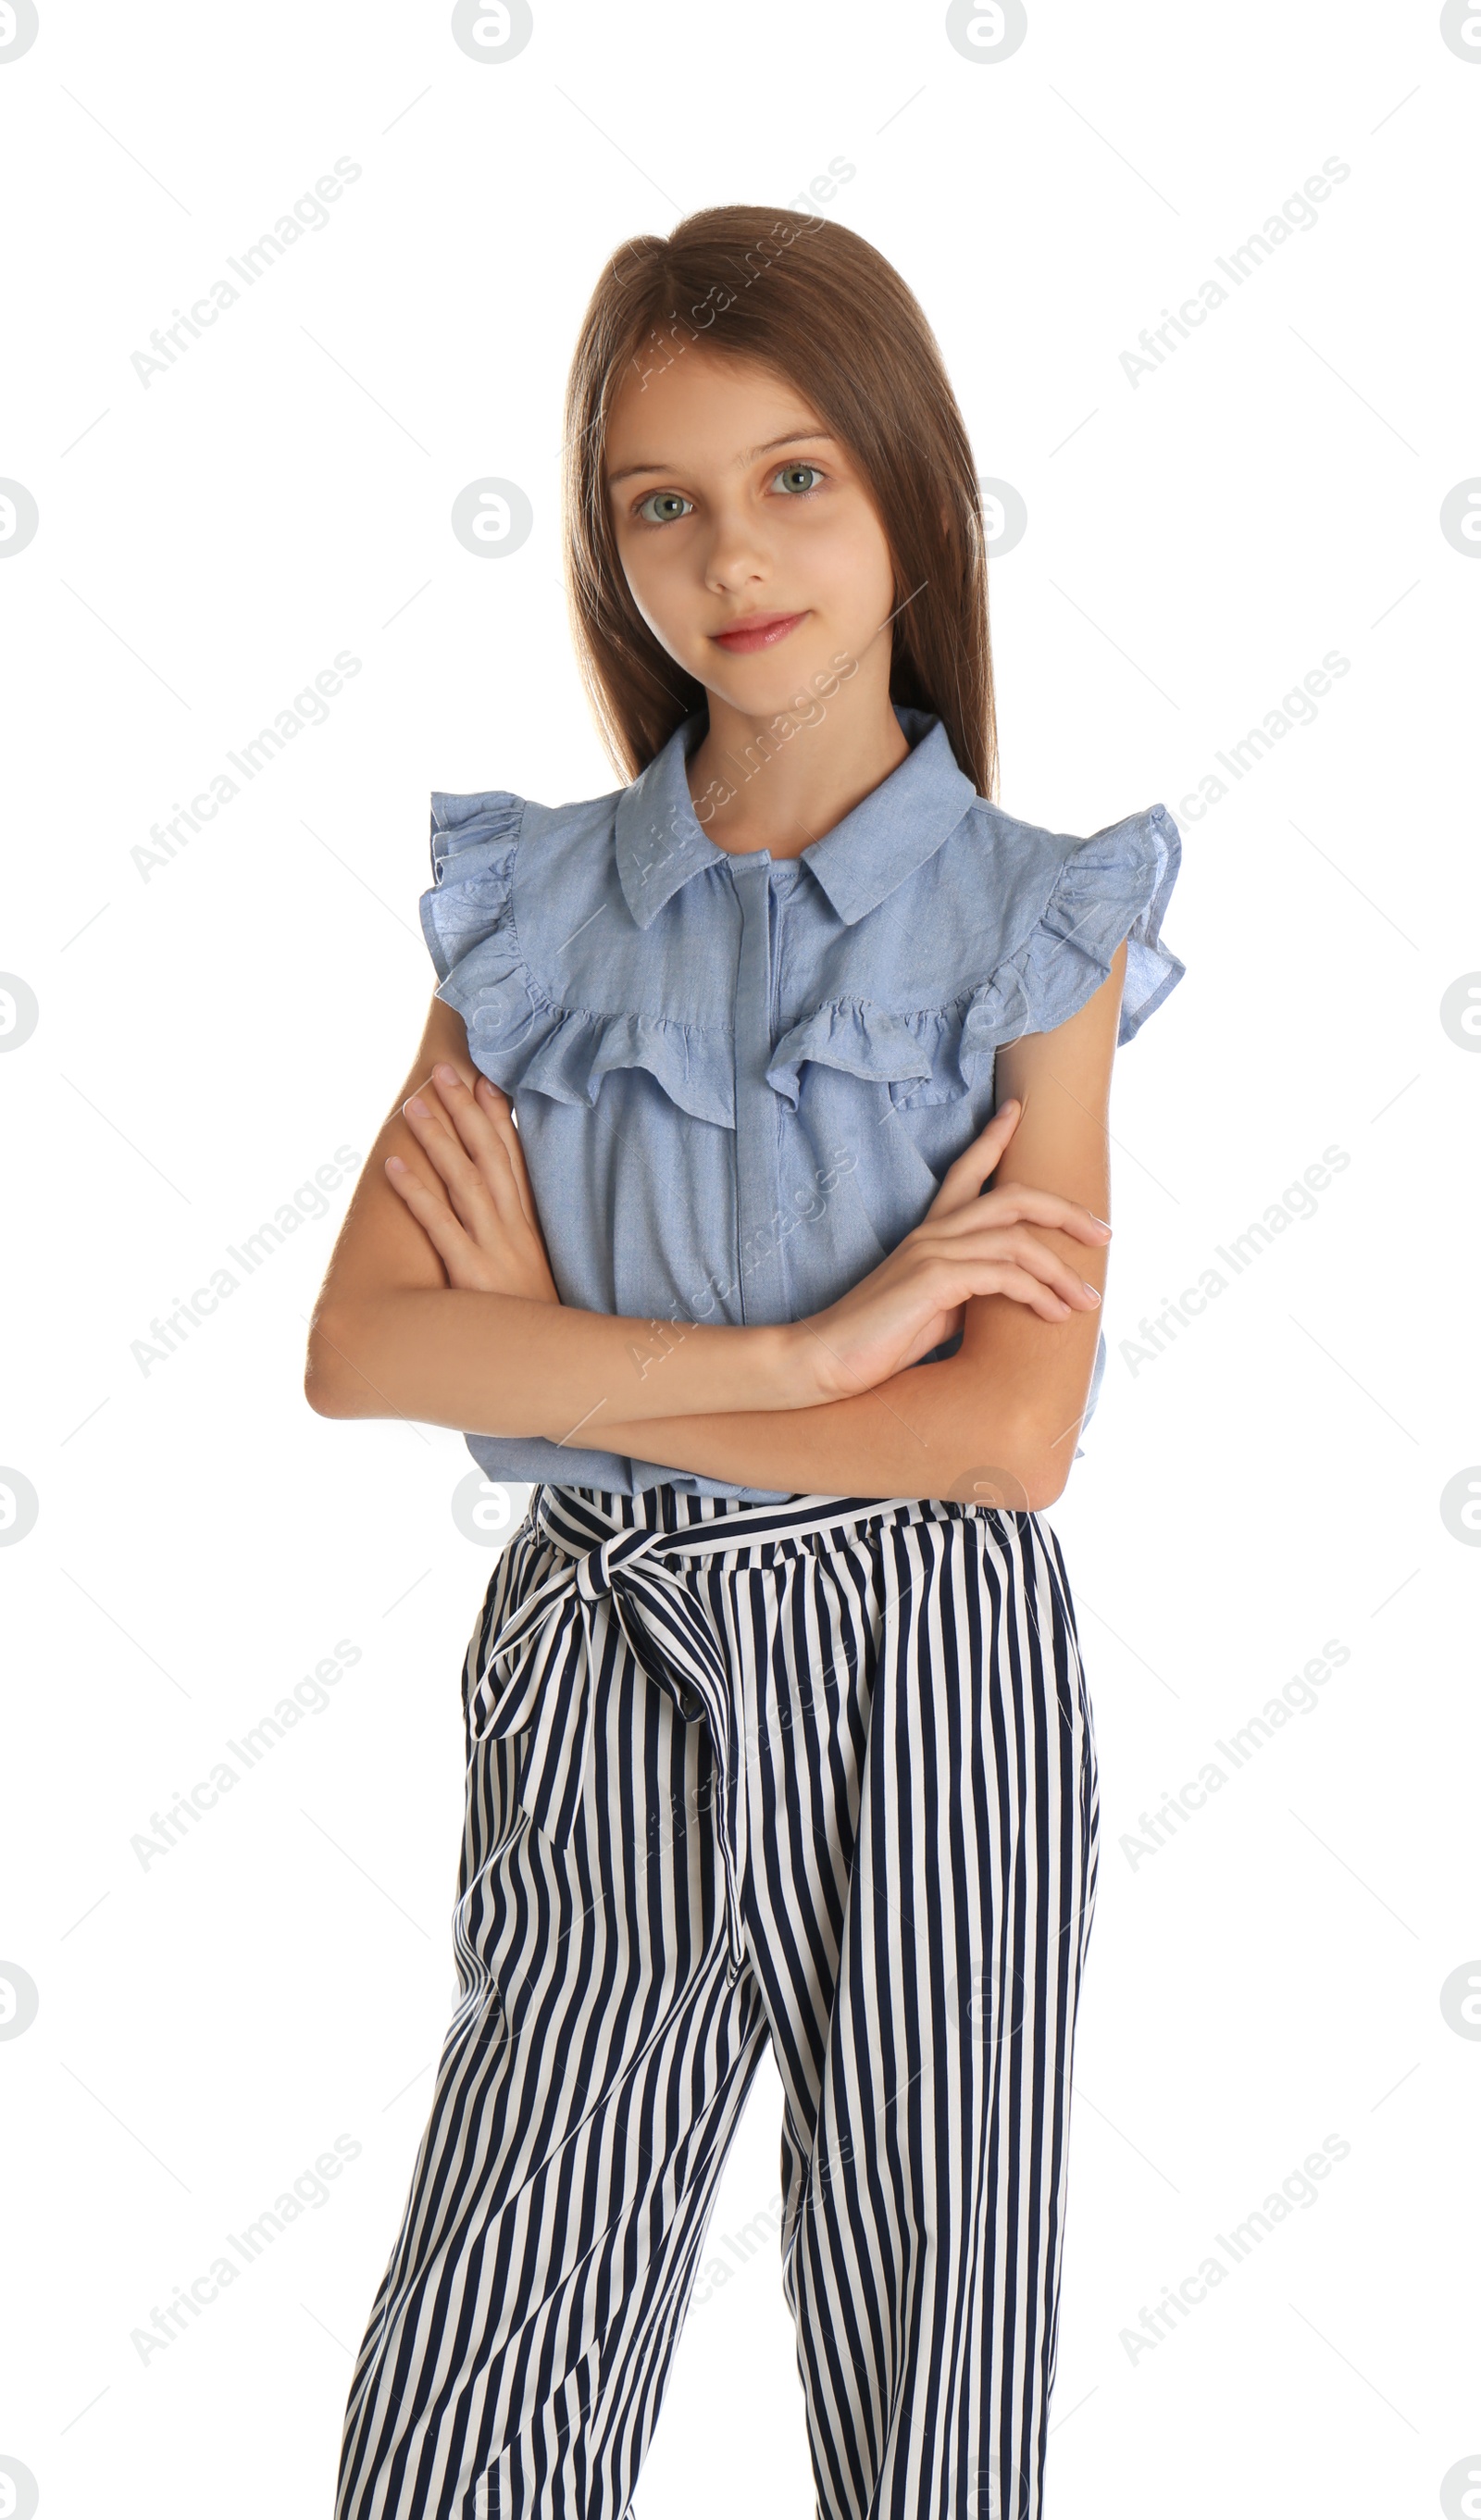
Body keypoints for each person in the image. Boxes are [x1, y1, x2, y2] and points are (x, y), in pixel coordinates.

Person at [308, 204, 1185, 2520]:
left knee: (929, 2345)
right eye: (660, 502)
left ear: (905, 488)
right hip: (595, 1639)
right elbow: (356, 1349)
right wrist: (799, 1359)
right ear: (609, 547)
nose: (733, 555)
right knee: (482, 2358)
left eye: (794, 477)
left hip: (923, 1660)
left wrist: (543, 1364)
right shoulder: (526, 908)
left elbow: (1005, 1428)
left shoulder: (1032, 921)